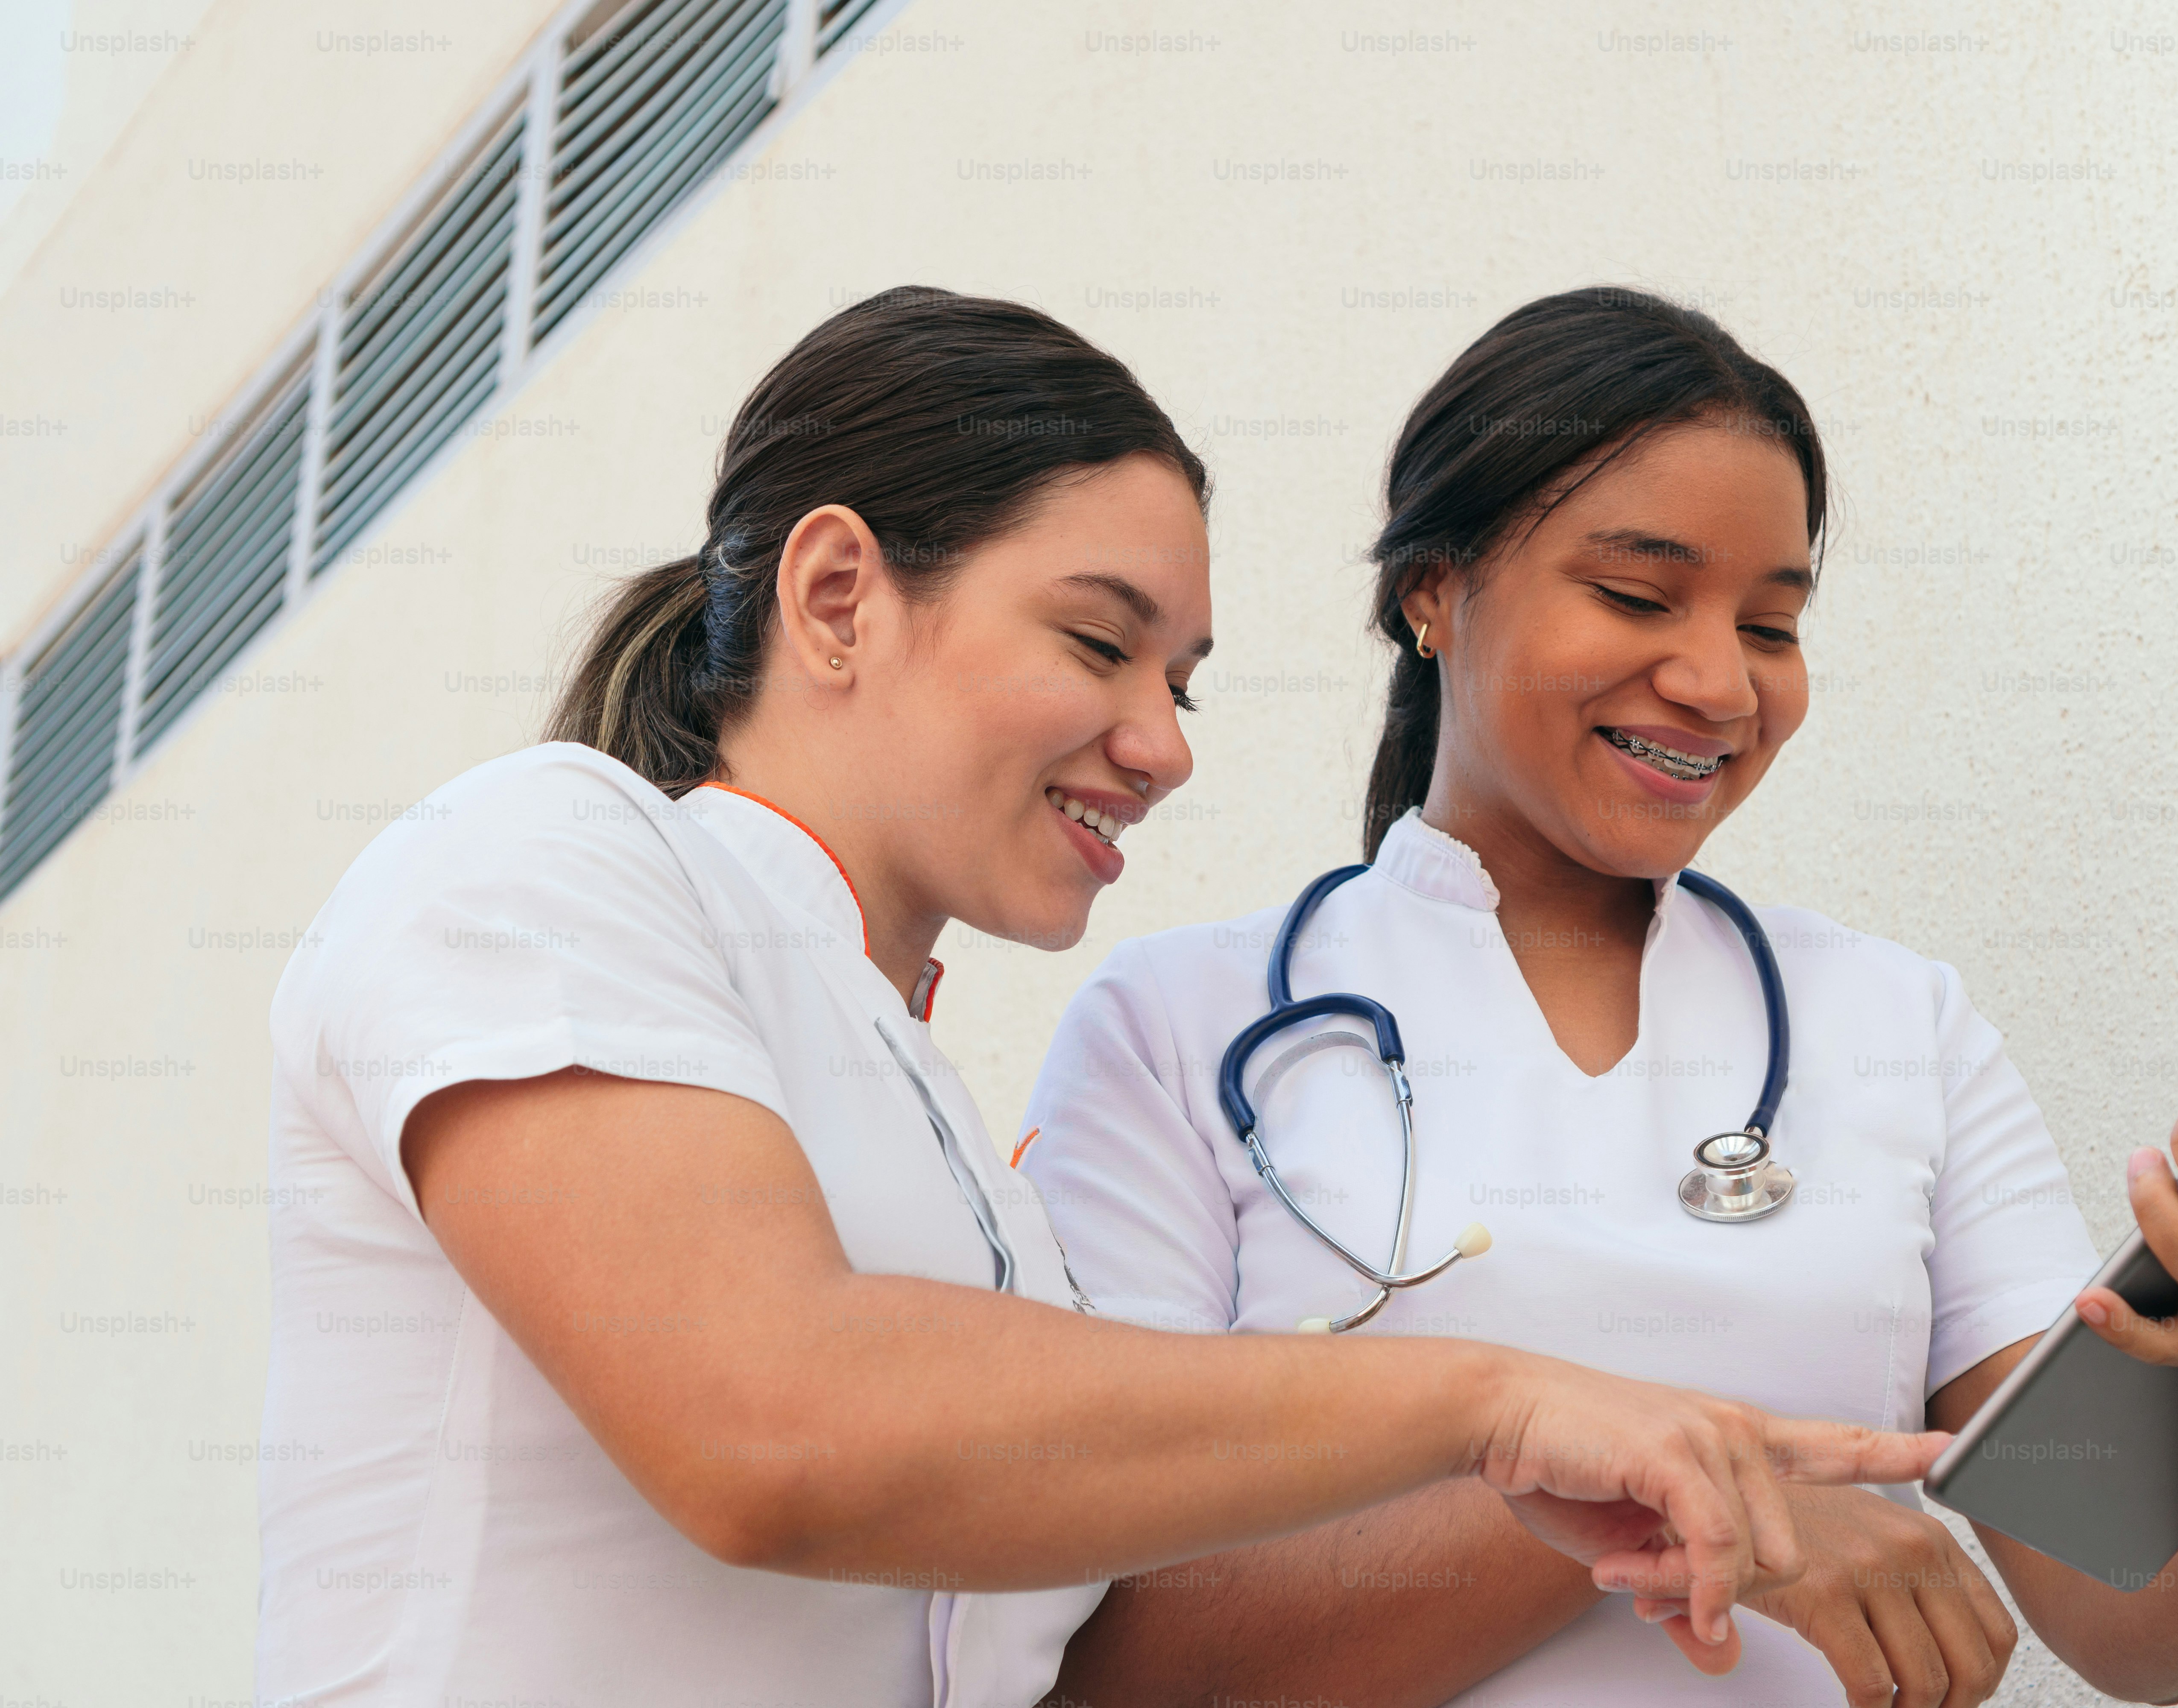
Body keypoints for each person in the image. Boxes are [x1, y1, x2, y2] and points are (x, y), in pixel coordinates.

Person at [253, 287, 1946, 1708]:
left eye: (1183, 678)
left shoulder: (974, 1177)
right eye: (1097, 643)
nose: (1165, 743)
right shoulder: (542, 855)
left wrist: (1579, 1498)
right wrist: (1502, 1402)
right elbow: (770, 1421)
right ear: (839, 595)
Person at [1020, 286, 2178, 1707]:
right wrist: (1685, 1510)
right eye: (1639, 595)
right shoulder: (1175, 1031)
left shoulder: (1902, 1030)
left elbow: (2139, 1620)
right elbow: (1118, 1662)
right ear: (1432, 591)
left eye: (1772, 628)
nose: (1719, 683)